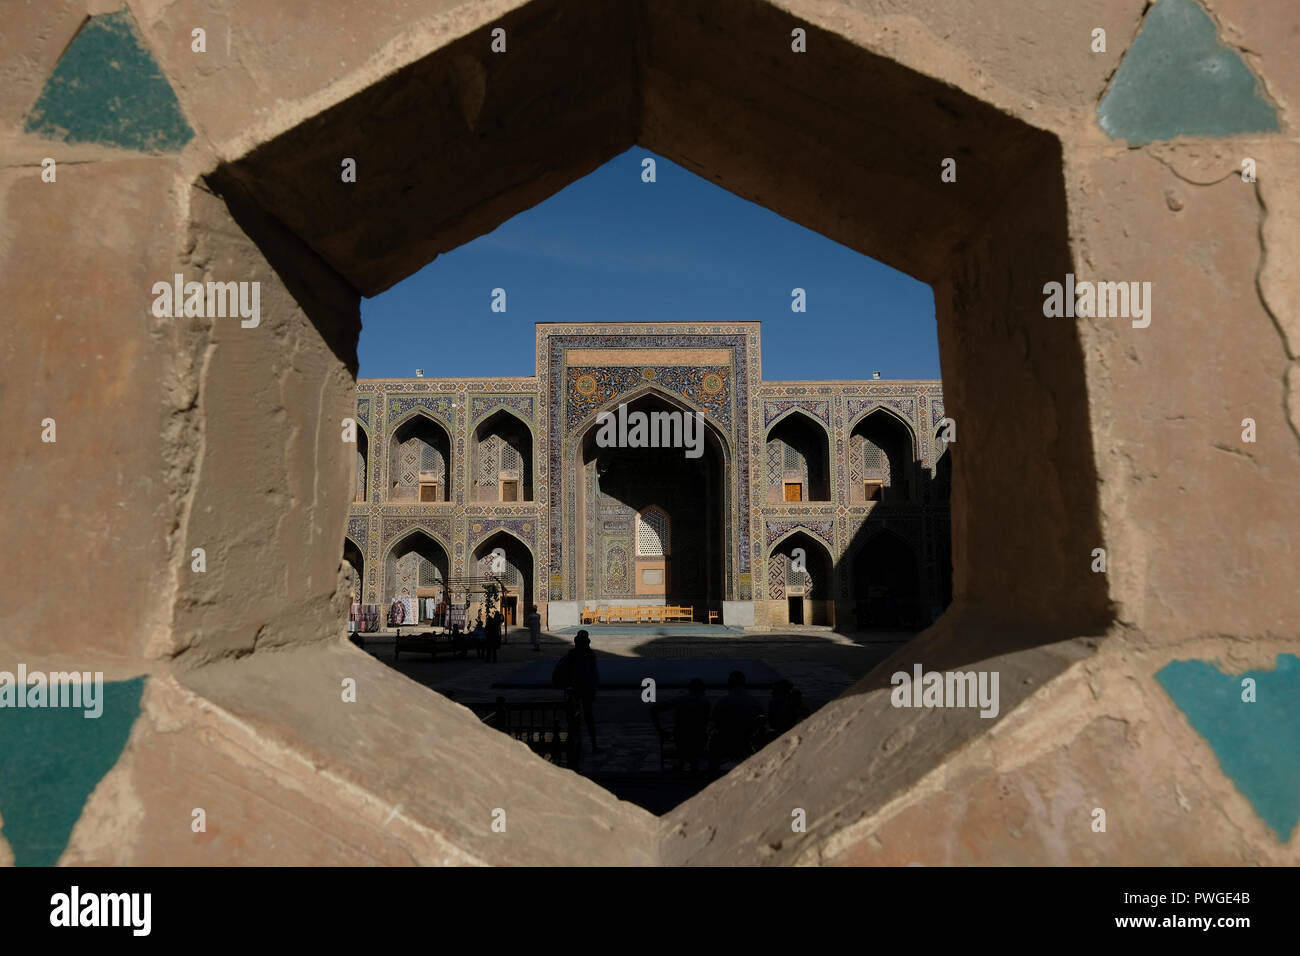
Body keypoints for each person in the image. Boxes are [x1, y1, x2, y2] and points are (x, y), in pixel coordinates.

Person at [552, 630, 600, 752]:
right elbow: (593, 674)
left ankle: (576, 744)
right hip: (584, 689)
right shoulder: (589, 655)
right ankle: (590, 744)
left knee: (575, 719)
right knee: (586, 717)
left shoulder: (572, 656)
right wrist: (593, 689)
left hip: (575, 689)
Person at [649, 678, 711, 772]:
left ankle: (681, 766)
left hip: (681, 740)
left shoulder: (679, 700)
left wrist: (660, 730)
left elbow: (653, 710)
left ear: (690, 689)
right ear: (702, 689)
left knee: (685, 737)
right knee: (696, 739)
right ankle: (688, 767)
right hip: (698, 742)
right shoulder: (706, 702)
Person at [709, 670, 764, 771]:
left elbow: (715, 719)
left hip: (726, 738)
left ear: (730, 683)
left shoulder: (723, 701)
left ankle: (712, 770)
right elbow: (761, 720)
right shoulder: (754, 701)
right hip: (747, 739)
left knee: (713, 740)